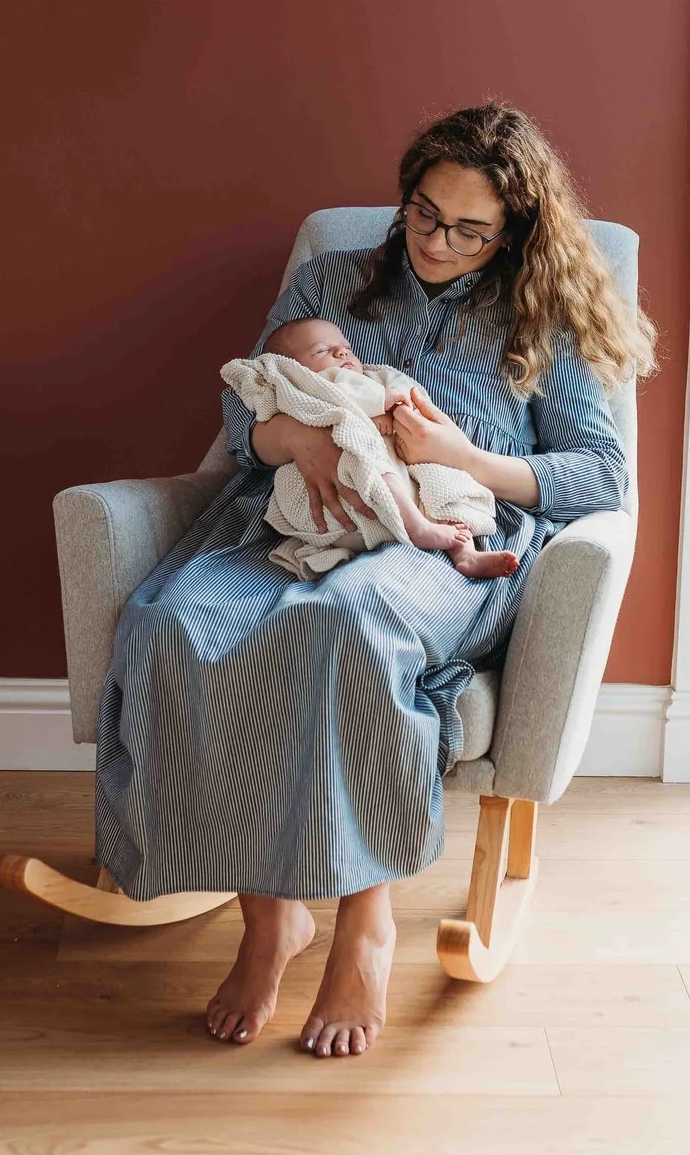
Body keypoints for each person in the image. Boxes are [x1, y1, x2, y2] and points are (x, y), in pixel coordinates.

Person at [94, 102, 656, 1057]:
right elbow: (243, 418)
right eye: (422, 213)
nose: (436, 241)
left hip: (436, 534)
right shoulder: (331, 279)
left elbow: (600, 474)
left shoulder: (542, 315)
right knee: (172, 624)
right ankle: (270, 916)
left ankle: (364, 919)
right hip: (293, 510)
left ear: (512, 231)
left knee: (346, 625)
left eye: (468, 229)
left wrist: (465, 457)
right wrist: (297, 437)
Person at [223, 316, 519, 582]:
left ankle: (465, 554)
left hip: (405, 482)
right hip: (348, 490)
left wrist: (397, 407)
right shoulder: (310, 384)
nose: (342, 353)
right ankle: (416, 528)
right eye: (322, 351)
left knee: (446, 482)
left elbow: (409, 397)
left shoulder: (375, 378)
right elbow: (342, 392)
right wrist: (382, 403)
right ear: (293, 367)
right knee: (370, 460)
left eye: (346, 347)